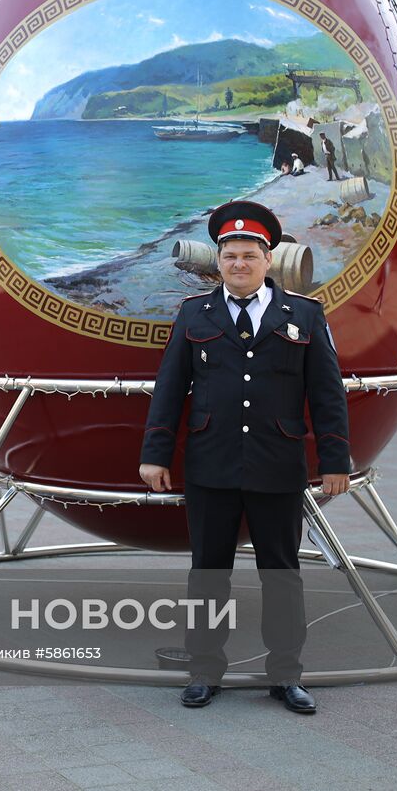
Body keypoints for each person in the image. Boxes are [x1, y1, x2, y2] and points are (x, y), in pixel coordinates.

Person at [138, 200, 350, 715]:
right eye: (229, 255)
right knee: (209, 571)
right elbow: (170, 389)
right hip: (211, 465)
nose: (238, 264)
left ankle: (285, 676)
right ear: (218, 261)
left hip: (277, 464)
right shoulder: (194, 314)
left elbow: (326, 394)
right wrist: (155, 453)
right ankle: (205, 670)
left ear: (268, 258)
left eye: (249, 255)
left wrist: (335, 460)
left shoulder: (304, 315)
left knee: (281, 572)